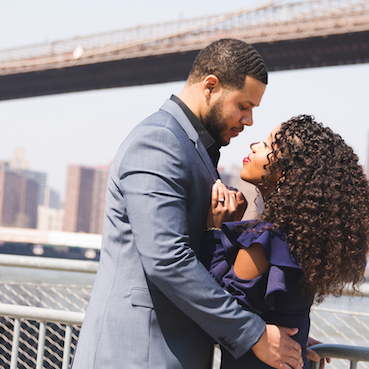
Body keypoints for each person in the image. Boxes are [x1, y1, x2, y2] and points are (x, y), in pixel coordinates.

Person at [72, 39, 304, 369]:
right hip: (138, 354)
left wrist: (288, 338)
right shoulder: (159, 141)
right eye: (243, 105)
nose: (249, 120)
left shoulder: (194, 147)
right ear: (211, 86)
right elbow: (166, 259)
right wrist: (254, 335)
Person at [202, 115, 369, 369]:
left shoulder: (266, 241)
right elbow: (276, 311)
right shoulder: (300, 240)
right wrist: (297, 338)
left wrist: (215, 230)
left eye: (268, 145)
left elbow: (219, 314)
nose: (254, 145)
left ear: (289, 174)